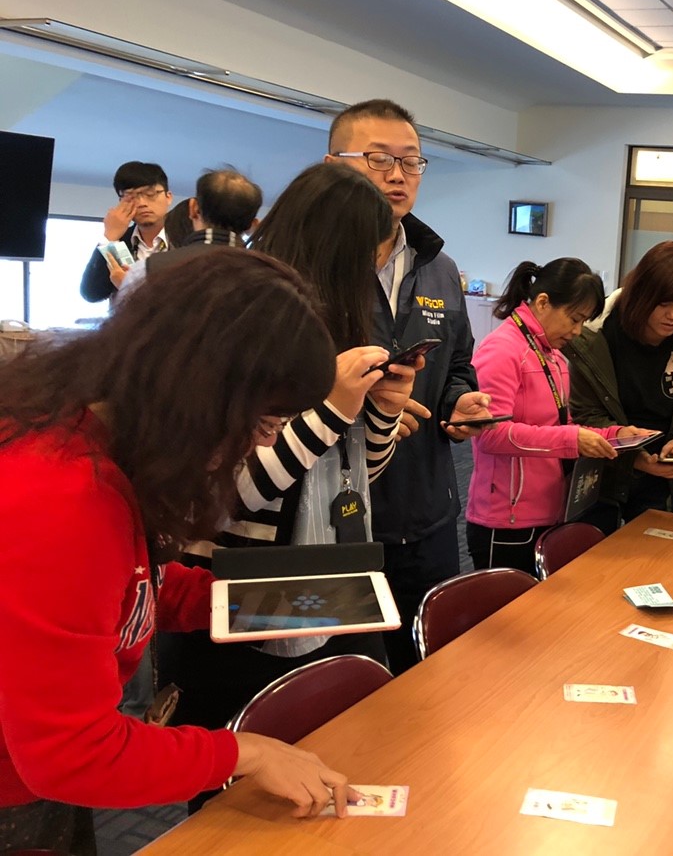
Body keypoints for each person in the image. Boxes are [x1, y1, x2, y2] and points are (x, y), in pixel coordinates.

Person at [0, 250, 359, 854]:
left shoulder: (99, 439)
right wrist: (243, 753)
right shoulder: (59, 499)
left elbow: (133, 591)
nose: (260, 446)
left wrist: (269, 604)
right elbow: (74, 753)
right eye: (262, 424)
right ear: (200, 398)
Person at [157, 164, 418, 772]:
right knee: (239, 771)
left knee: (345, 749)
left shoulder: (337, 323)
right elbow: (227, 495)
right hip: (244, 585)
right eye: (366, 254)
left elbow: (355, 481)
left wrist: (382, 412)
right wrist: (333, 409)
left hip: (329, 572)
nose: (373, 269)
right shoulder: (236, 321)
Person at [326, 99, 490, 673]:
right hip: (333, 516)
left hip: (427, 510)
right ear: (333, 166)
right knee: (344, 680)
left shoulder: (438, 268)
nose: (398, 175)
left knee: (429, 672)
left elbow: (458, 362)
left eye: (411, 161)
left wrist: (458, 401)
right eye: (378, 159)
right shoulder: (304, 266)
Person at [467, 258, 644, 573]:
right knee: (506, 605)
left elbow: (561, 425)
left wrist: (613, 435)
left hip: (549, 509)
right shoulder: (502, 349)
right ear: (543, 302)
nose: (577, 331)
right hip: (505, 519)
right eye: (574, 319)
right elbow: (490, 435)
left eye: (583, 321)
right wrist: (573, 439)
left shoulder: (552, 354)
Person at [565, 241, 673, 531]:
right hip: (603, 471)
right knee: (594, 552)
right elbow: (586, 415)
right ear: (641, 294)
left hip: (670, 479)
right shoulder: (595, 334)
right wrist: (632, 457)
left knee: (660, 554)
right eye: (664, 304)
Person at [119, 168, 263, 299]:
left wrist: (130, 289)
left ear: (193, 208)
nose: (142, 203)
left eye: (150, 194)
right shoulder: (267, 273)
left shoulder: (149, 269)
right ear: (252, 224)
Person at [79, 161, 173, 303]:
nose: (142, 203)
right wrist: (109, 238)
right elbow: (92, 293)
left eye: (150, 194)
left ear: (168, 197)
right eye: (131, 197)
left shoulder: (185, 236)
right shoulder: (119, 242)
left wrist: (129, 286)